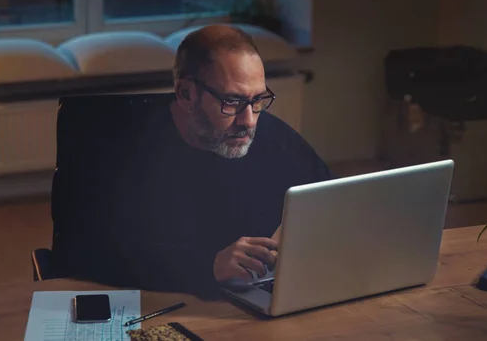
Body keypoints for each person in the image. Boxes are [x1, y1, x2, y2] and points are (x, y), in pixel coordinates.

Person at [55, 24, 334, 298]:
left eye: (257, 100)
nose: (248, 121)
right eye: (231, 101)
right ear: (186, 94)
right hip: (159, 303)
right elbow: (85, 252)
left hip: (249, 303)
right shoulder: (120, 148)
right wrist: (207, 266)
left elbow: (330, 199)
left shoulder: (272, 135)